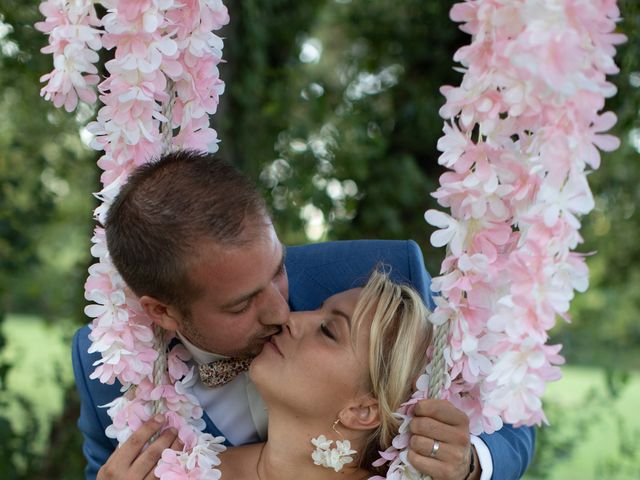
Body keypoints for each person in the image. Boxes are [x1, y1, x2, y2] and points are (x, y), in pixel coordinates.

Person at [73, 150, 535, 480]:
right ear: (162, 312)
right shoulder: (106, 368)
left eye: (278, 271)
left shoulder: (383, 280)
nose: (283, 313)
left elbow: (506, 415)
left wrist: (467, 463)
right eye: (241, 303)